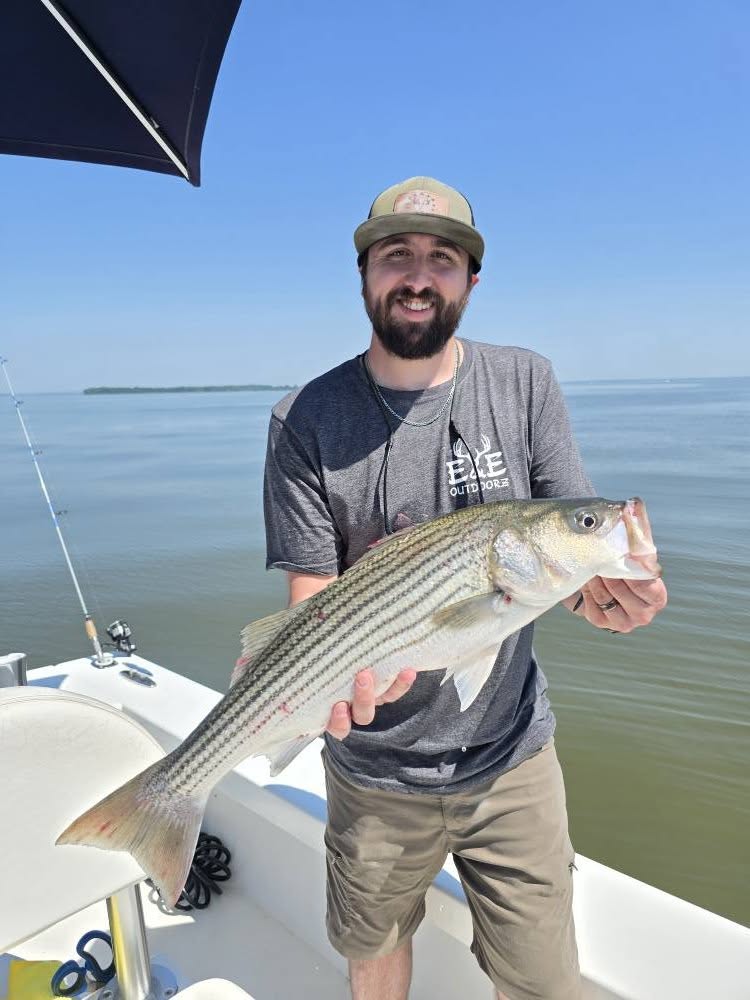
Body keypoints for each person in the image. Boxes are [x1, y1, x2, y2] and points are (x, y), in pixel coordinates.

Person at [263, 177, 668, 1000]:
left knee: (546, 982)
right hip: (372, 765)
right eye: (397, 255)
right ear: (365, 274)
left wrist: (616, 600)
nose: (418, 275)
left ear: (470, 281)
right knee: (373, 951)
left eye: (442, 259)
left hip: (512, 755)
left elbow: (573, 562)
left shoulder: (525, 383)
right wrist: (304, 691)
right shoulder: (303, 417)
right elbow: (313, 595)